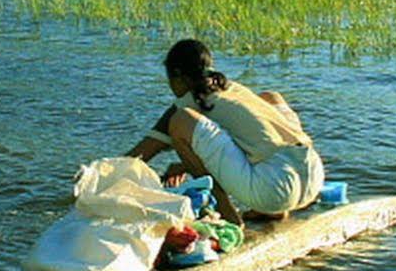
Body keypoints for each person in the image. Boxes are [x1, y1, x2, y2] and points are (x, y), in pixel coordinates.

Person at [127, 39, 325, 228]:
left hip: (274, 189)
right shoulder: (232, 88)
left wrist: (103, 177)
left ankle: (227, 213)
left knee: (180, 122)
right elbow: (241, 141)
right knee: (270, 97)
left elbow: (138, 157)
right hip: (314, 176)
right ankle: (273, 212)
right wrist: (185, 165)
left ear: (178, 77)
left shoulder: (187, 100)